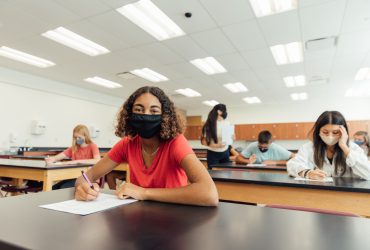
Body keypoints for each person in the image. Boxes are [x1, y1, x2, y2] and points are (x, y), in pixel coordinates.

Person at [74, 86, 218, 206]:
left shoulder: (176, 143)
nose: (146, 115)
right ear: (130, 115)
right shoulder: (127, 143)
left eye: (154, 111)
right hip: (139, 218)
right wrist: (83, 188)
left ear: (165, 117)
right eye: (139, 110)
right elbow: (87, 177)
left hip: (174, 216)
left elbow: (209, 193)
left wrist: (144, 193)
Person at [287, 111, 370, 180]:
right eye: (325, 132)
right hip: (319, 192)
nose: (330, 136)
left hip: (347, 194)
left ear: (344, 132)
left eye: (335, 132)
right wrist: (307, 173)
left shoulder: (353, 148)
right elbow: (292, 165)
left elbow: (368, 173)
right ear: (318, 131)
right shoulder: (308, 147)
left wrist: (344, 147)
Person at [45, 124, 101, 189]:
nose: (77, 139)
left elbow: (97, 160)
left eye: (79, 137)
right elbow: (57, 157)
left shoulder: (92, 146)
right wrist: (51, 159)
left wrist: (77, 161)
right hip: (74, 176)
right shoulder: (74, 148)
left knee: (64, 187)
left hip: (88, 178)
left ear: (85, 136)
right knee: (54, 188)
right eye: (75, 137)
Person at [200, 104, 231, 168]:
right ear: (219, 112)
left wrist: (232, 137)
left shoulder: (227, 123)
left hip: (225, 152)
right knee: (213, 175)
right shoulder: (209, 125)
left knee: (227, 174)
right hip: (213, 154)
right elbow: (203, 142)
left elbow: (229, 137)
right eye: (224, 111)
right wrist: (216, 145)